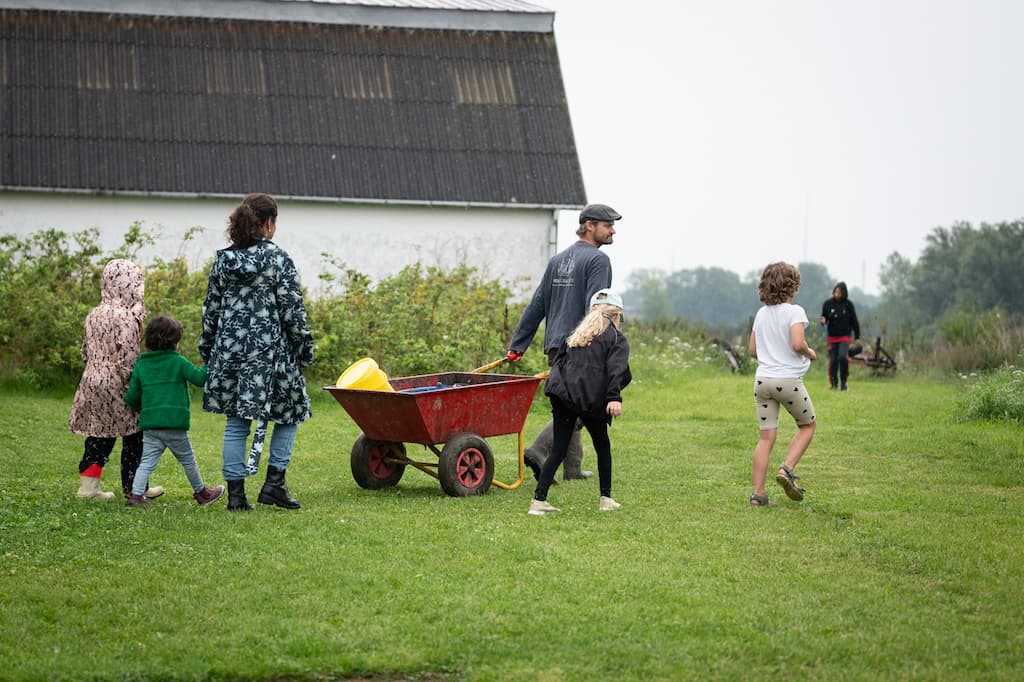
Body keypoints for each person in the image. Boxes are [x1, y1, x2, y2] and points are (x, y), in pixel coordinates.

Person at [199, 193, 314, 511]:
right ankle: (274, 484)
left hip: (230, 353)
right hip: (273, 356)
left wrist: (208, 349)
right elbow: (293, 310)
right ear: (269, 222)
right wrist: (304, 347)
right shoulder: (277, 259)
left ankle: (236, 496)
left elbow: (211, 310)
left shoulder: (224, 261)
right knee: (290, 414)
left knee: (236, 422)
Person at [507, 203, 621, 481]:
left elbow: (537, 304)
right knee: (581, 407)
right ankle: (539, 449)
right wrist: (600, 344)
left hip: (556, 342)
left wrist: (518, 344)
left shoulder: (558, 259)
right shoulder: (598, 260)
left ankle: (572, 468)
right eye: (608, 225)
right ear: (590, 225)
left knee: (568, 401)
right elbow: (597, 306)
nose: (613, 231)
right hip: (581, 344)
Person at [528, 289, 632, 515]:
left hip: (561, 395)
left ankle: (538, 503)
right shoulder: (616, 338)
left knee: (558, 449)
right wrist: (614, 398)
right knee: (602, 446)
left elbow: (560, 363)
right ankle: (606, 499)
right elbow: (617, 371)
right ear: (616, 315)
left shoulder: (575, 336)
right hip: (588, 399)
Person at [69, 259, 164, 502]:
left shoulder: (94, 314)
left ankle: (88, 488)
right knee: (134, 435)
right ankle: (134, 487)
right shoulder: (126, 316)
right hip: (118, 382)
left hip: (92, 379)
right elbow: (129, 357)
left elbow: (85, 351)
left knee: (99, 434)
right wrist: (136, 386)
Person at [124, 316, 225, 508]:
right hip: (174, 424)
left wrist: (145, 409)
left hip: (151, 424)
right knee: (188, 460)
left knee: (146, 462)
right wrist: (209, 362)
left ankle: (136, 496)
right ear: (174, 341)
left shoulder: (142, 364)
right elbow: (199, 378)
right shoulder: (177, 361)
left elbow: (132, 396)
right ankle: (202, 493)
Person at [747, 262, 817, 507]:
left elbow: (752, 350)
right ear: (792, 286)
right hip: (787, 381)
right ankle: (786, 470)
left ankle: (758, 494)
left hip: (762, 381)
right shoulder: (795, 312)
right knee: (808, 425)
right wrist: (809, 352)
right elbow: (797, 343)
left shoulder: (761, 313)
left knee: (766, 438)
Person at [819, 281, 860, 391]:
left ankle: (844, 383)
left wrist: (857, 337)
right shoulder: (827, 304)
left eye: (839, 292)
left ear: (844, 293)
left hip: (844, 337)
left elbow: (854, 322)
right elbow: (824, 318)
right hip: (832, 337)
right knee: (833, 361)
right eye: (835, 291)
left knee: (842, 357)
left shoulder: (848, 305)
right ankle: (833, 384)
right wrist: (823, 321)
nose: (836, 294)